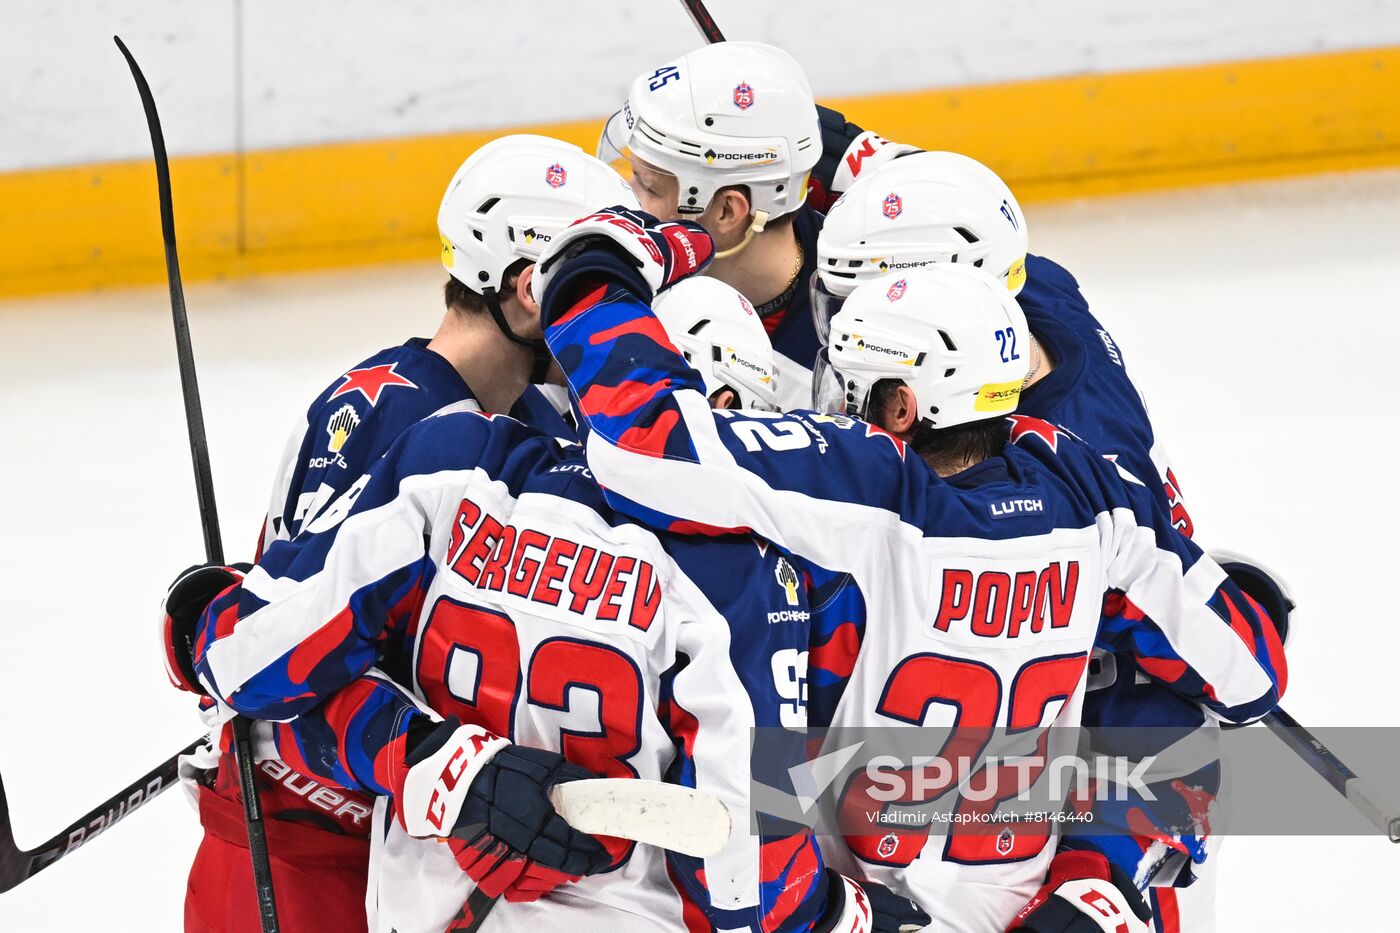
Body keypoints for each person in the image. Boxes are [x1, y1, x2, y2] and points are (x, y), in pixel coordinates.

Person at [531, 211, 1286, 931]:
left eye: (851, 382)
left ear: (900, 405)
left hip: (860, 904)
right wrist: (1221, 595)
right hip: (1020, 904)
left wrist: (592, 278)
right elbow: (1249, 674)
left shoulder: (865, 492)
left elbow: (654, 444)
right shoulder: (1089, 497)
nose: (832, 403)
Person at [165, 263, 931, 932]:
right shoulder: (742, 573)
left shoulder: (454, 462)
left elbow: (250, 664)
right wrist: (842, 911)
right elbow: (742, 883)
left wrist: (199, 618)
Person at [159, 133, 636, 933]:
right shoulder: (394, 411)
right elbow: (282, 668)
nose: (619, 315)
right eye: (593, 286)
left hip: (398, 854)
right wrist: (430, 758)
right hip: (293, 854)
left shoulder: (528, 420)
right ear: (528, 292)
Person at [813, 150, 1294, 930]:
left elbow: (1162, 700)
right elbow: (952, 199)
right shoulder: (1040, 296)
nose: (843, 331)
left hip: (1073, 788)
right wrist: (838, 146)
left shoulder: (1041, 486)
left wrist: (1100, 874)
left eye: (864, 301)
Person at [599, 40, 831, 409]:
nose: (628, 198)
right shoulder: (623, 277)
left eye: (648, 186)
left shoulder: (846, 353)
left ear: (727, 211)